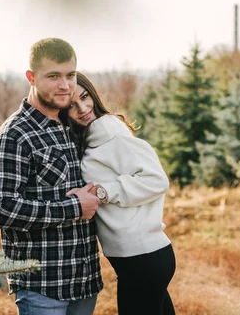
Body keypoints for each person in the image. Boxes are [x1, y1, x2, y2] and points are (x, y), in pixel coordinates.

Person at [0, 38, 103, 315]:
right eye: (53, 76)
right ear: (32, 77)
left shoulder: (69, 125)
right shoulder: (14, 136)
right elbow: (0, 209)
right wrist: (75, 207)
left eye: (70, 75)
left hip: (84, 280)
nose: (65, 85)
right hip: (43, 286)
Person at [60, 72, 176, 315]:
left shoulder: (114, 135)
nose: (82, 108)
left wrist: (103, 192)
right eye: (72, 104)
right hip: (135, 258)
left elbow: (157, 180)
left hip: (145, 256)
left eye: (85, 97)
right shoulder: (93, 138)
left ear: (93, 95)